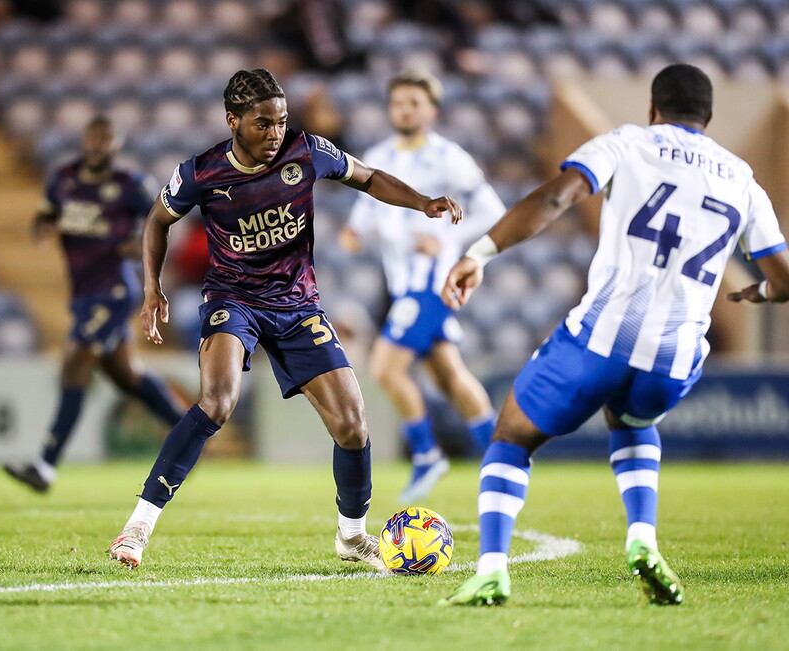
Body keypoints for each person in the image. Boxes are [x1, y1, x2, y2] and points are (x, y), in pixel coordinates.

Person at [437, 63, 789, 607]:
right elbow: (783, 280)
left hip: (603, 337)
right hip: (676, 357)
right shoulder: (742, 177)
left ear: (653, 109)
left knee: (511, 433)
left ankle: (491, 570)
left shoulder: (629, 143)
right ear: (709, 118)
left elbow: (558, 198)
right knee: (632, 420)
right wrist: (758, 296)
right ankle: (643, 539)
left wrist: (479, 253)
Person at [107, 68, 462, 570]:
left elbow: (370, 177)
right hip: (234, 299)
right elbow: (157, 221)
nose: (275, 134)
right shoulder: (201, 173)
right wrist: (152, 286)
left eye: (280, 122)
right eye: (262, 124)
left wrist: (422, 202)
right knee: (216, 401)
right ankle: (138, 526)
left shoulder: (307, 150)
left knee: (353, 425)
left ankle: (352, 535)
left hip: (298, 305)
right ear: (232, 120)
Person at [340, 70, 504, 503]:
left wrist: (449, 237)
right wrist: (355, 232)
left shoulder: (450, 157)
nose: (404, 110)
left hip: (429, 282)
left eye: (414, 103)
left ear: (432, 110)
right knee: (450, 376)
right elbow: (366, 209)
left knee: (384, 369)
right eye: (398, 103)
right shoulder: (378, 154)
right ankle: (504, 459)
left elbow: (493, 210)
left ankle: (428, 455)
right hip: (401, 282)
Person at [4, 116, 184, 493]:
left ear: (116, 145)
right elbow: (42, 217)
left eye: (107, 139)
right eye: (94, 138)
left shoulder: (130, 185)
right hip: (84, 292)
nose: (99, 145)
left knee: (74, 366)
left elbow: (161, 224)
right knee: (127, 376)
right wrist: (43, 229)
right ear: (85, 141)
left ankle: (45, 466)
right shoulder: (63, 179)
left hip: (114, 291)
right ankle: (187, 427)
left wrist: (135, 247)